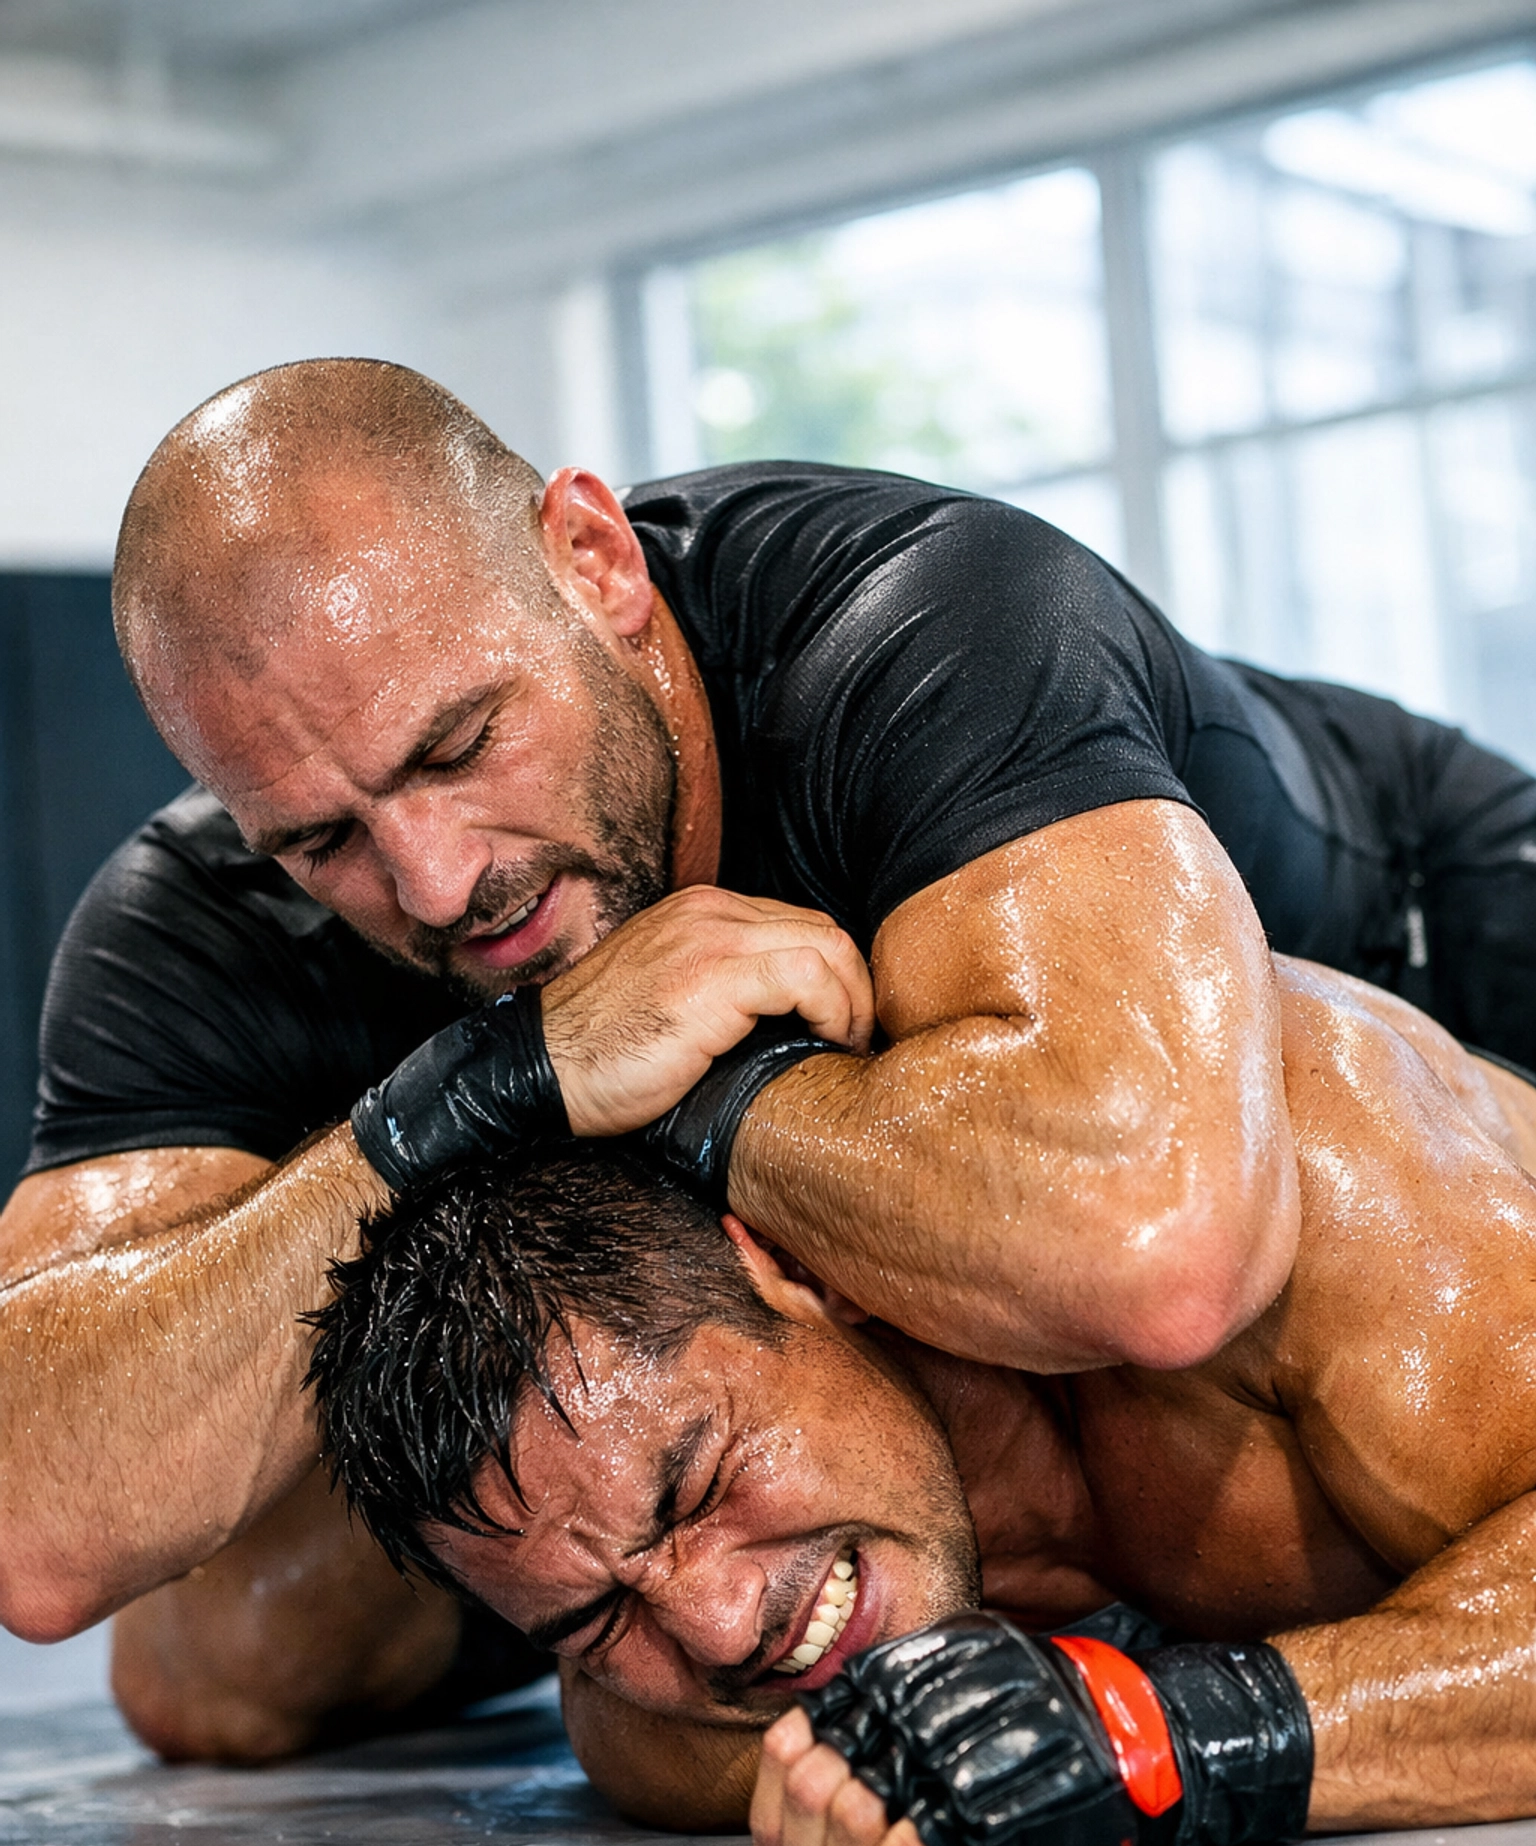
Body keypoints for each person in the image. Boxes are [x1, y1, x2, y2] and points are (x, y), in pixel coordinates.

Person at [0, 352, 1532, 1763]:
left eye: (460, 745)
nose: (435, 882)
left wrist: (708, 1093)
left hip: (1446, 950)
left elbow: (1155, 1248)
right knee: (229, 1659)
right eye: (324, 838)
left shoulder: (920, 626)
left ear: (593, 562)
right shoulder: (201, 924)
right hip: (910, 1356)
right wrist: (478, 1094)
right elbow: (35, 1527)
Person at [307, 959, 1536, 1846]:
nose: (724, 1631)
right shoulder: (656, 1720)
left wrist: (1169, 1735)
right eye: (590, 1623)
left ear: (793, 1264)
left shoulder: (1299, 1188)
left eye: (695, 1488)